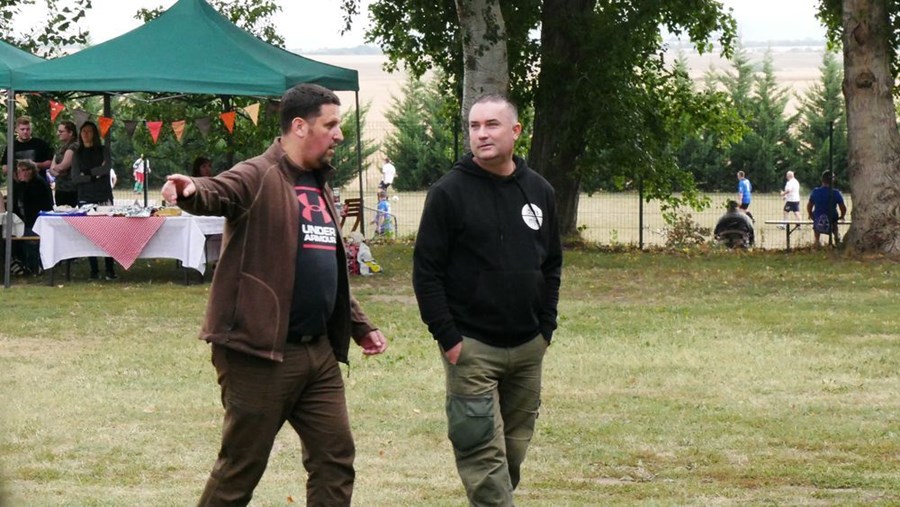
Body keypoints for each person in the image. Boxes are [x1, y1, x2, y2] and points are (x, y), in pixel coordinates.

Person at [161, 83, 388, 506]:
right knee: (240, 470)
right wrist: (191, 189)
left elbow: (324, 266)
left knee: (335, 460)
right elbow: (220, 190)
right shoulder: (258, 174)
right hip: (259, 353)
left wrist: (359, 325)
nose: (339, 135)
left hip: (318, 354)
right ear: (300, 126)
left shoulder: (319, 184)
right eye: (330, 125)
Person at [412, 94, 562, 506]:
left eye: (491, 125)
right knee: (481, 452)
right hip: (472, 348)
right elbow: (426, 273)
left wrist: (545, 328)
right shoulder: (448, 192)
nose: (481, 134)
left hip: (528, 347)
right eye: (474, 126)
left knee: (511, 452)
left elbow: (551, 264)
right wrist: (449, 337)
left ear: (516, 131)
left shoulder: (540, 191)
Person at [73, 121, 117, 280]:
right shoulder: (77, 153)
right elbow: (75, 177)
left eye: (89, 131)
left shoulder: (103, 150)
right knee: (90, 234)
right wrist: (94, 175)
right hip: (85, 197)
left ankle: (110, 269)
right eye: (83, 131)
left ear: (94, 133)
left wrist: (86, 173)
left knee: (108, 234)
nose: (86, 134)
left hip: (103, 195)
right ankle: (94, 270)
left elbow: (106, 168)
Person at [11, 160, 54, 274]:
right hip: (28, 221)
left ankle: (33, 265)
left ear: (31, 171)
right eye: (19, 171)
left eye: (24, 170)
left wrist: (21, 184)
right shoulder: (24, 184)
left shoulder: (37, 184)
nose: (21, 174)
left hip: (38, 223)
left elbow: (31, 207)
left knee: (17, 234)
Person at [2, 116, 53, 180]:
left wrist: (36, 165)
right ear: (17, 130)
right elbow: (4, 168)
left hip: (38, 183)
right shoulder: (11, 146)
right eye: (22, 129)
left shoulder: (40, 143)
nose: (25, 132)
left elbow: (50, 163)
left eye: (28, 129)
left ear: (31, 129)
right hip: (18, 184)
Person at [807, 170, 847, 247]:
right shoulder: (836, 193)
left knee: (817, 219)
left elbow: (809, 206)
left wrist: (810, 214)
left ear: (822, 179)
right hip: (832, 219)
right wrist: (842, 216)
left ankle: (817, 241)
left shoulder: (815, 192)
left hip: (818, 218)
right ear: (833, 180)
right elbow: (843, 207)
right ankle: (836, 238)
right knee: (834, 223)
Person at [48, 120, 79, 208]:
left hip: (72, 190)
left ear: (70, 133)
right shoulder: (60, 147)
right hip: (60, 189)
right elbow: (51, 169)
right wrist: (57, 171)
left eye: (61, 131)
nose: (58, 134)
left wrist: (57, 169)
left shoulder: (74, 146)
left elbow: (63, 166)